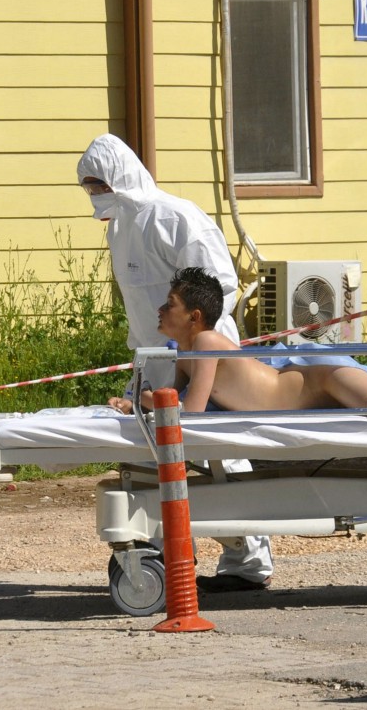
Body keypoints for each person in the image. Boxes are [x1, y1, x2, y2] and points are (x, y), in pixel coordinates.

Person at [77, 134, 273, 594]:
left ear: (118, 176)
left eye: (97, 184)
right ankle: (166, 550)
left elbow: (217, 287)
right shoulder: (121, 228)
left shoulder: (176, 217)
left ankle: (249, 561)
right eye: (88, 187)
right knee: (156, 456)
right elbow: (140, 303)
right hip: (154, 356)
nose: (94, 194)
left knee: (215, 451)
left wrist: (188, 347)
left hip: (200, 352)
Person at [107, 268, 367, 421]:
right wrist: (138, 403)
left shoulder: (206, 341)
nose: (161, 311)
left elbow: (188, 411)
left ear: (194, 316)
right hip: (303, 394)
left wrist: (142, 399)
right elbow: (179, 403)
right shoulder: (185, 354)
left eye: (170, 303)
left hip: (319, 381)